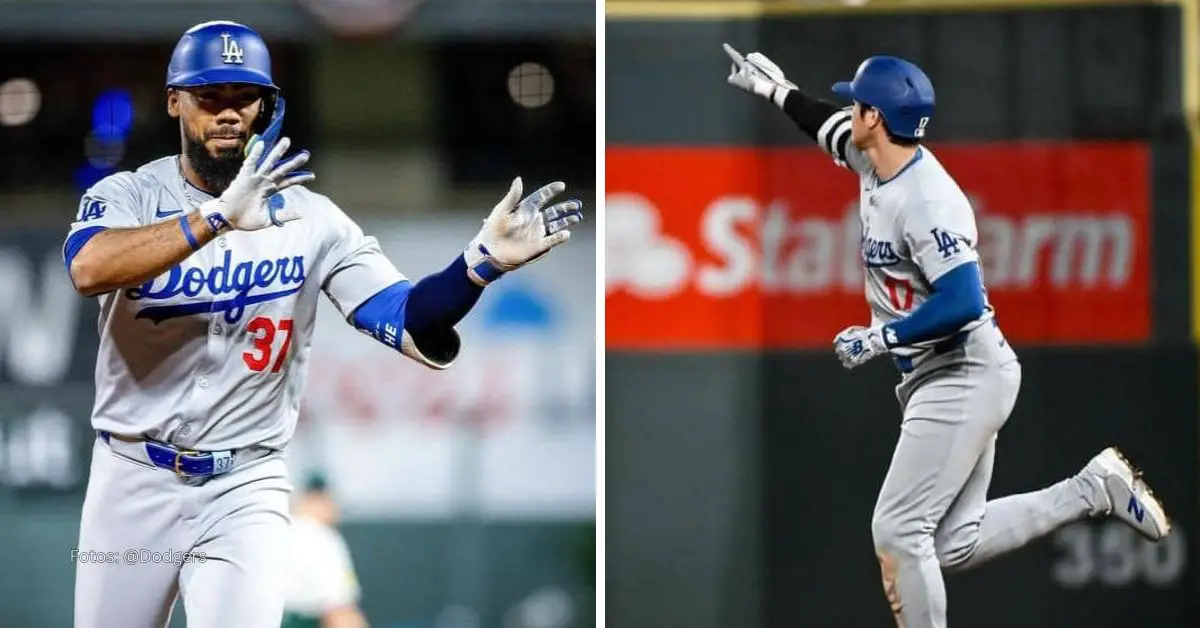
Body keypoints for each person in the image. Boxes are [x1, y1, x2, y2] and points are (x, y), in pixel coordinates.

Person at [64, 20, 583, 628]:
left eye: (244, 96)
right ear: (175, 100)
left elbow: (405, 317)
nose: (229, 112)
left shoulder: (314, 221)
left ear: (266, 105)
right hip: (130, 475)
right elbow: (90, 268)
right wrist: (216, 219)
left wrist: (477, 267)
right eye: (211, 96)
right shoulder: (128, 195)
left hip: (245, 484)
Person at [723, 44, 1170, 628]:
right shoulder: (875, 161)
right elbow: (825, 126)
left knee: (897, 529)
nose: (850, 112)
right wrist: (775, 90)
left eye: (857, 104)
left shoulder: (928, 200)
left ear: (876, 119)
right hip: (946, 375)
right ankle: (1093, 489)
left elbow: (962, 302)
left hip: (963, 370)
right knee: (952, 543)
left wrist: (878, 340)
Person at [282, 474, 368, 628]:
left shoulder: (271, 531)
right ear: (322, 500)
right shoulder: (322, 538)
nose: (337, 513)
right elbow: (340, 612)